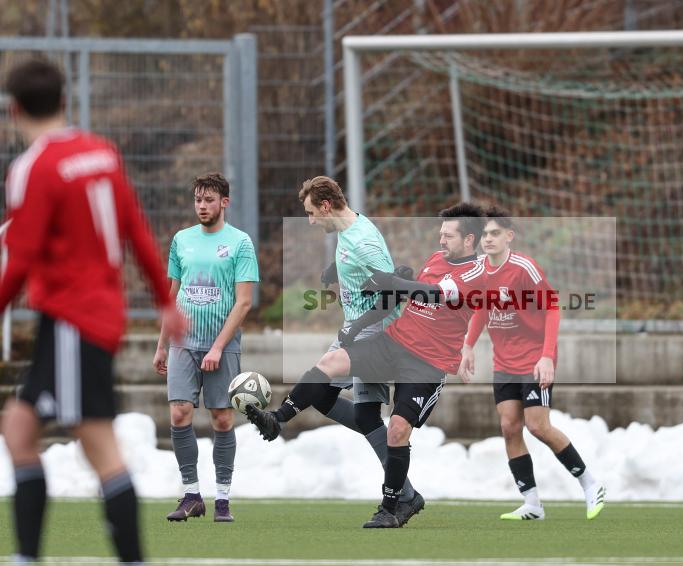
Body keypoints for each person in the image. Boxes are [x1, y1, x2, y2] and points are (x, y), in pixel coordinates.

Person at [0, 59, 188, 566]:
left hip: (71, 318)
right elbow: (135, 227)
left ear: (13, 110)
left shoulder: (33, 168)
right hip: (93, 316)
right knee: (19, 428)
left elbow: (21, 257)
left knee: (98, 443)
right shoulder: (101, 153)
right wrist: (163, 301)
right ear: (64, 100)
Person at [246, 203, 486, 528]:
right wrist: (369, 299)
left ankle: (391, 507)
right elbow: (404, 293)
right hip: (394, 344)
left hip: (427, 364)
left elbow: (431, 295)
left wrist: (393, 281)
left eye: (448, 236)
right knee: (331, 362)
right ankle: (276, 419)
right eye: (440, 234)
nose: (441, 240)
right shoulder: (436, 259)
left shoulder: (477, 274)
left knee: (397, 429)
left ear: (469, 240)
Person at [285, 175, 423, 524]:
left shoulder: (362, 239)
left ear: (326, 206)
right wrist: (340, 269)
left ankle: (279, 417)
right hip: (360, 330)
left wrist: (359, 328)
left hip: (373, 336)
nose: (310, 221)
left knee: (321, 385)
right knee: (364, 417)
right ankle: (406, 494)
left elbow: (392, 290)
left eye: (311, 213)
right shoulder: (350, 228)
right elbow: (368, 269)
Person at [460, 206, 605, 521]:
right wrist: (468, 346)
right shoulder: (479, 269)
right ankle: (532, 503)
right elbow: (481, 308)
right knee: (509, 427)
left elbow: (552, 307)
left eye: (495, 233)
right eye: (485, 234)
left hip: (534, 359)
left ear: (509, 236)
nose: (488, 239)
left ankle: (590, 484)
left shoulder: (524, 268)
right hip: (504, 362)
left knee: (538, 426)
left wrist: (547, 356)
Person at [152, 173, 258, 523]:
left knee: (222, 418)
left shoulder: (240, 243)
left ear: (224, 202)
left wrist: (217, 347)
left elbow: (244, 302)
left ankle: (223, 499)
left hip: (221, 348)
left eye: (209, 200)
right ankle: (191, 495)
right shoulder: (181, 240)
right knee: (179, 413)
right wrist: (161, 344)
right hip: (183, 343)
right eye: (198, 199)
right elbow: (172, 294)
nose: (202, 206)